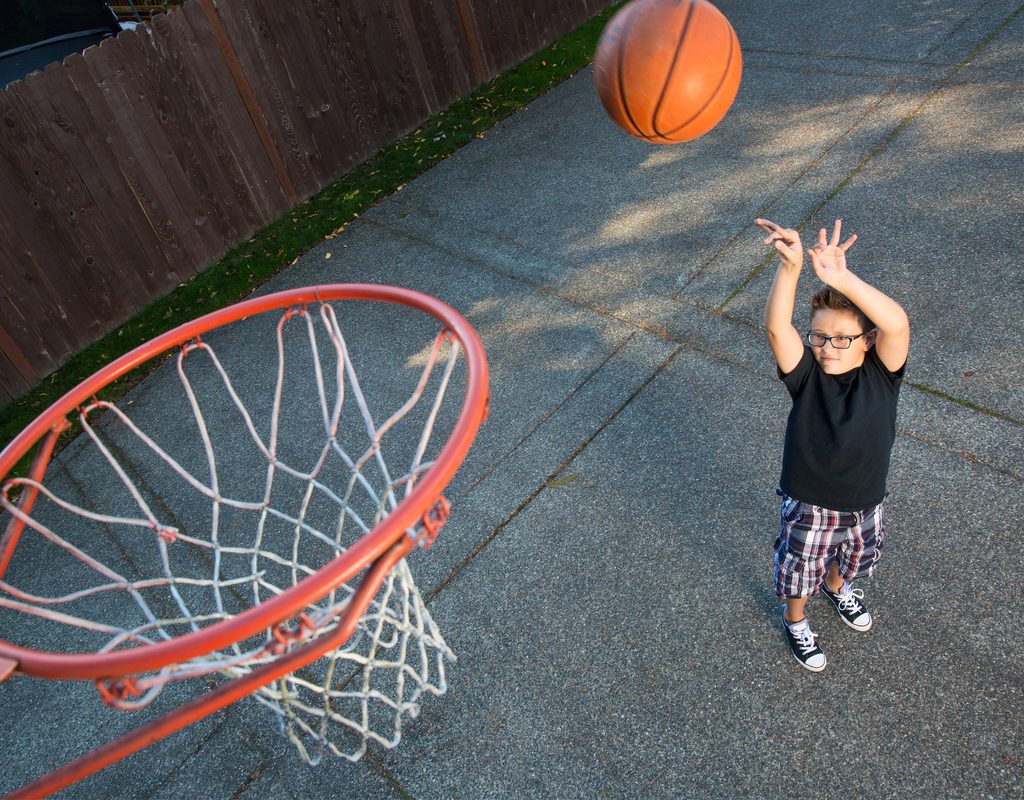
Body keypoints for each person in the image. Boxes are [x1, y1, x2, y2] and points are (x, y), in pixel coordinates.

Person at [755, 217, 910, 672]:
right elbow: (777, 329)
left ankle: (838, 587)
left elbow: (897, 324)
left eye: (842, 338)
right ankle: (796, 619)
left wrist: (842, 278)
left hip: (867, 499)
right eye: (820, 336)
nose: (828, 346)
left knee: (853, 555)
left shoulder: (882, 376)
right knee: (800, 570)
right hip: (811, 503)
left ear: (868, 341)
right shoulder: (806, 377)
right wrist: (791, 268)